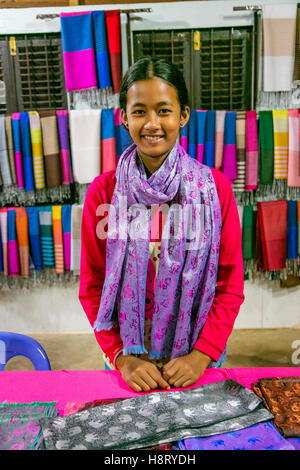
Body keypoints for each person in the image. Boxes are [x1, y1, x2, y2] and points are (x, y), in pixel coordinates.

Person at [79, 57, 244, 393]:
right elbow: (93, 285)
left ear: (183, 115)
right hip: (128, 362)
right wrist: (122, 357)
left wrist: (201, 355)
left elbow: (229, 285)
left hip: (194, 361)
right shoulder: (104, 193)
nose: (151, 123)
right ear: (123, 117)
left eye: (164, 110)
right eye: (139, 111)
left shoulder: (214, 190)